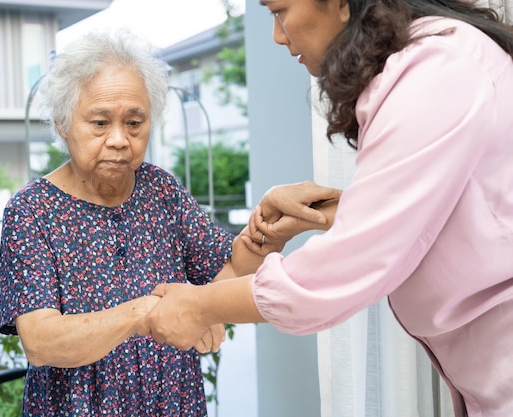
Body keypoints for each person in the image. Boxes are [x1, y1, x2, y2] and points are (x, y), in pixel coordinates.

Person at [142, 0, 513, 416]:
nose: (278, 36)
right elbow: (450, 208)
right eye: (99, 122)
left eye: (279, 11)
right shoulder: (435, 63)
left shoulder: (437, 72)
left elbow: (344, 268)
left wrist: (199, 305)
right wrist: (332, 211)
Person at [0, 28, 308, 416]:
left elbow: (226, 273)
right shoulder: (31, 210)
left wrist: (270, 230)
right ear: (63, 124)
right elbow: (41, 341)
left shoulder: (161, 189)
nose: (119, 140)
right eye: (99, 123)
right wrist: (145, 312)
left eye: (134, 123)